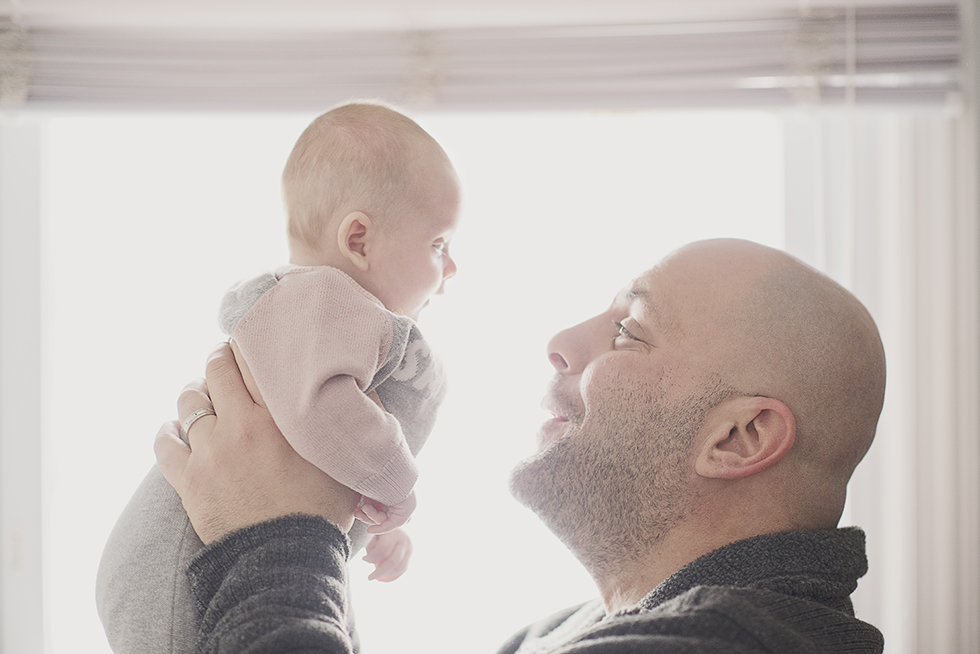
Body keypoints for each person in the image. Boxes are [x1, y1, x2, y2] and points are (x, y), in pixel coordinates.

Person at [157, 238, 887, 653]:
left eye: (629, 330)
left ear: (738, 438)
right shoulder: (556, 635)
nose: (562, 344)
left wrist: (274, 537)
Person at [96, 101, 461, 654]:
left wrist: (379, 523)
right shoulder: (325, 301)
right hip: (177, 561)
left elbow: (313, 459)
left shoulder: (318, 322)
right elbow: (320, 414)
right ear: (358, 240)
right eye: (438, 244)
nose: (451, 267)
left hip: (217, 549)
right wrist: (396, 484)